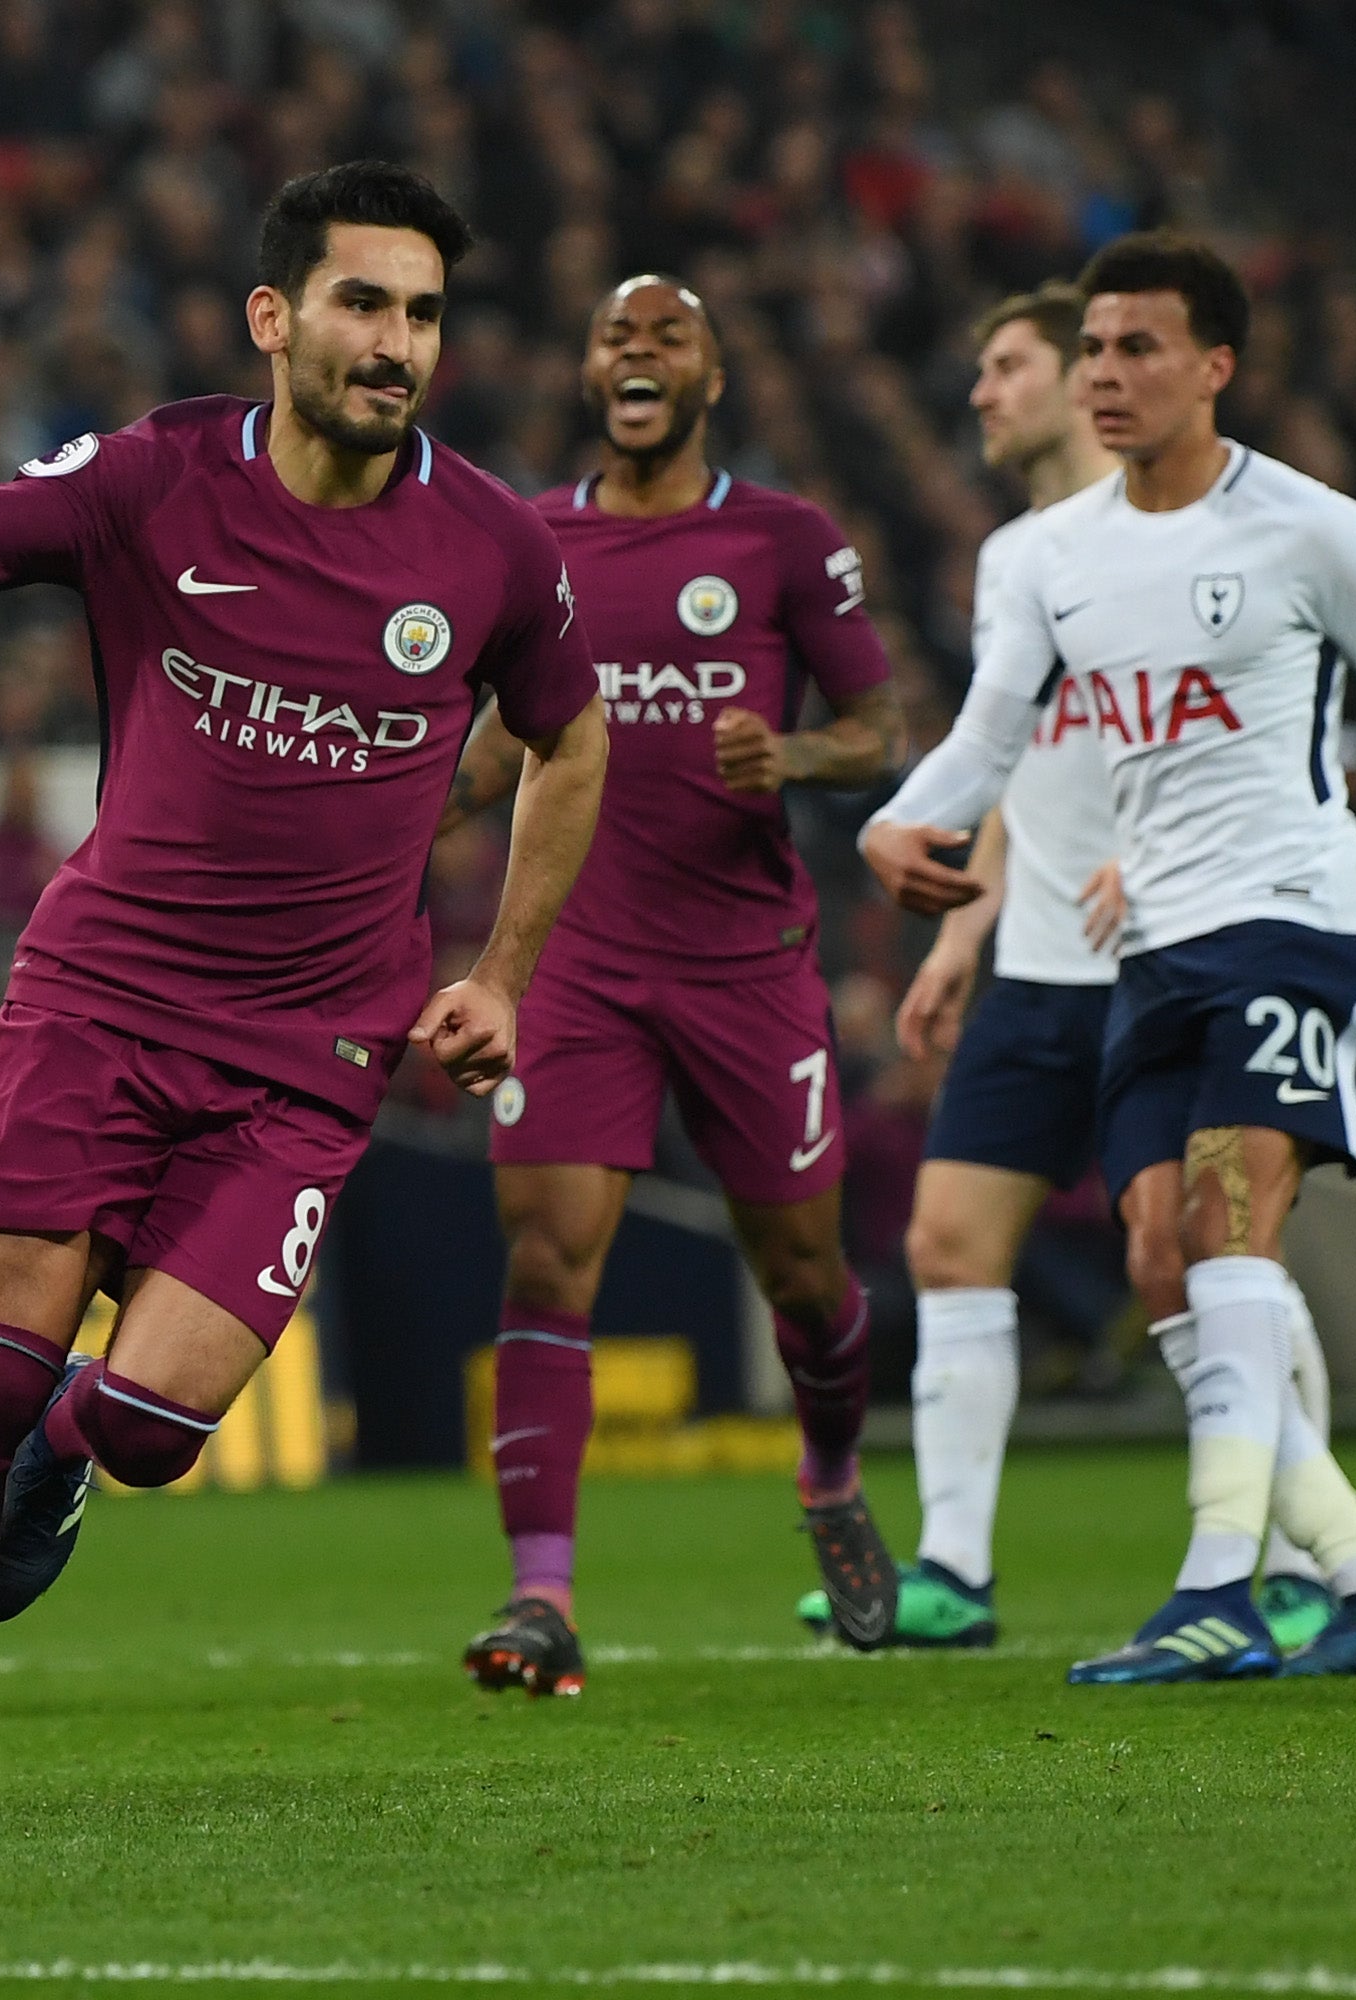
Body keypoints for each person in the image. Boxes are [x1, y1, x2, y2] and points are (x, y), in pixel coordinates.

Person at [0, 161, 605, 1829]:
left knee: (153, 1426)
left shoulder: (492, 543)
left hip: (309, 1058)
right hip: (100, 998)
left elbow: (573, 733)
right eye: (362, 303)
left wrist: (504, 975)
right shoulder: (154, 473)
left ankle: (65, 1460)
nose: (396, 342)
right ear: (276, 316)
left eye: (421, 312)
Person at [860, 234, 1356, 1684]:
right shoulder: (1045, 560)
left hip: (1295, 924)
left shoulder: (1314, 530)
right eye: (1091, 349)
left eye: (1137, 348)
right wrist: (901, 827)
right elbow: (990, 737)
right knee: (1161, 1256)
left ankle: (1220, 1586)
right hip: (1150, 957)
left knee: (1228, 1225)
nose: (1105, 374)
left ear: (1217, 366)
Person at [845, 283, 1339, 1654]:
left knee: (1189, 1258)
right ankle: (952, 1570)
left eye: (1007, 366)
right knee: (947, 1241)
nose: (983, 395)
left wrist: (1170, 868)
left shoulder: (1198, 542)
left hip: (1170, 958)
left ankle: (1302, 1558)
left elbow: (1246, 739)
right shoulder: (1021, 557)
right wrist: (963, 930)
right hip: (1040, 964)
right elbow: (1012, 767)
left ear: (1085, 378)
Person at [436, 274, 905, 1694]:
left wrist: (799, 756)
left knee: (808, 1278)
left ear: (711, 377)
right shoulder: (529, 537)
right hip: (572, 961)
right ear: (587, 373)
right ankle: (541, 1599)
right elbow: (498, 747)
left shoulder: (782, 537)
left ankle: (828, 1476)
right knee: (546, 1255)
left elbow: (877, 725)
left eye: (669, 338)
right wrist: (421, 801)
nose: (637, 355)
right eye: (614, 338)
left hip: (746, 966)